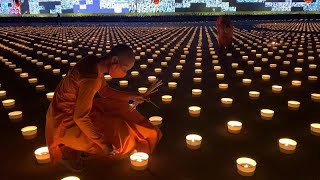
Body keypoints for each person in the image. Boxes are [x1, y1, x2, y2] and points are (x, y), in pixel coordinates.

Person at [45, 44, 162, 171]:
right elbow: (80, 118)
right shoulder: (91, 78)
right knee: (119, 144)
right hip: (65, 122)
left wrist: (133, 96)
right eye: (125, 69)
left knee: (119, 112)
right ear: (114, 60)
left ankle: (82, 146)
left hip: (71, 110)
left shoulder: (93, 61)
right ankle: (71, 148)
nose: (124, 74)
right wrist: (104, 144)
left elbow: (105, 91)